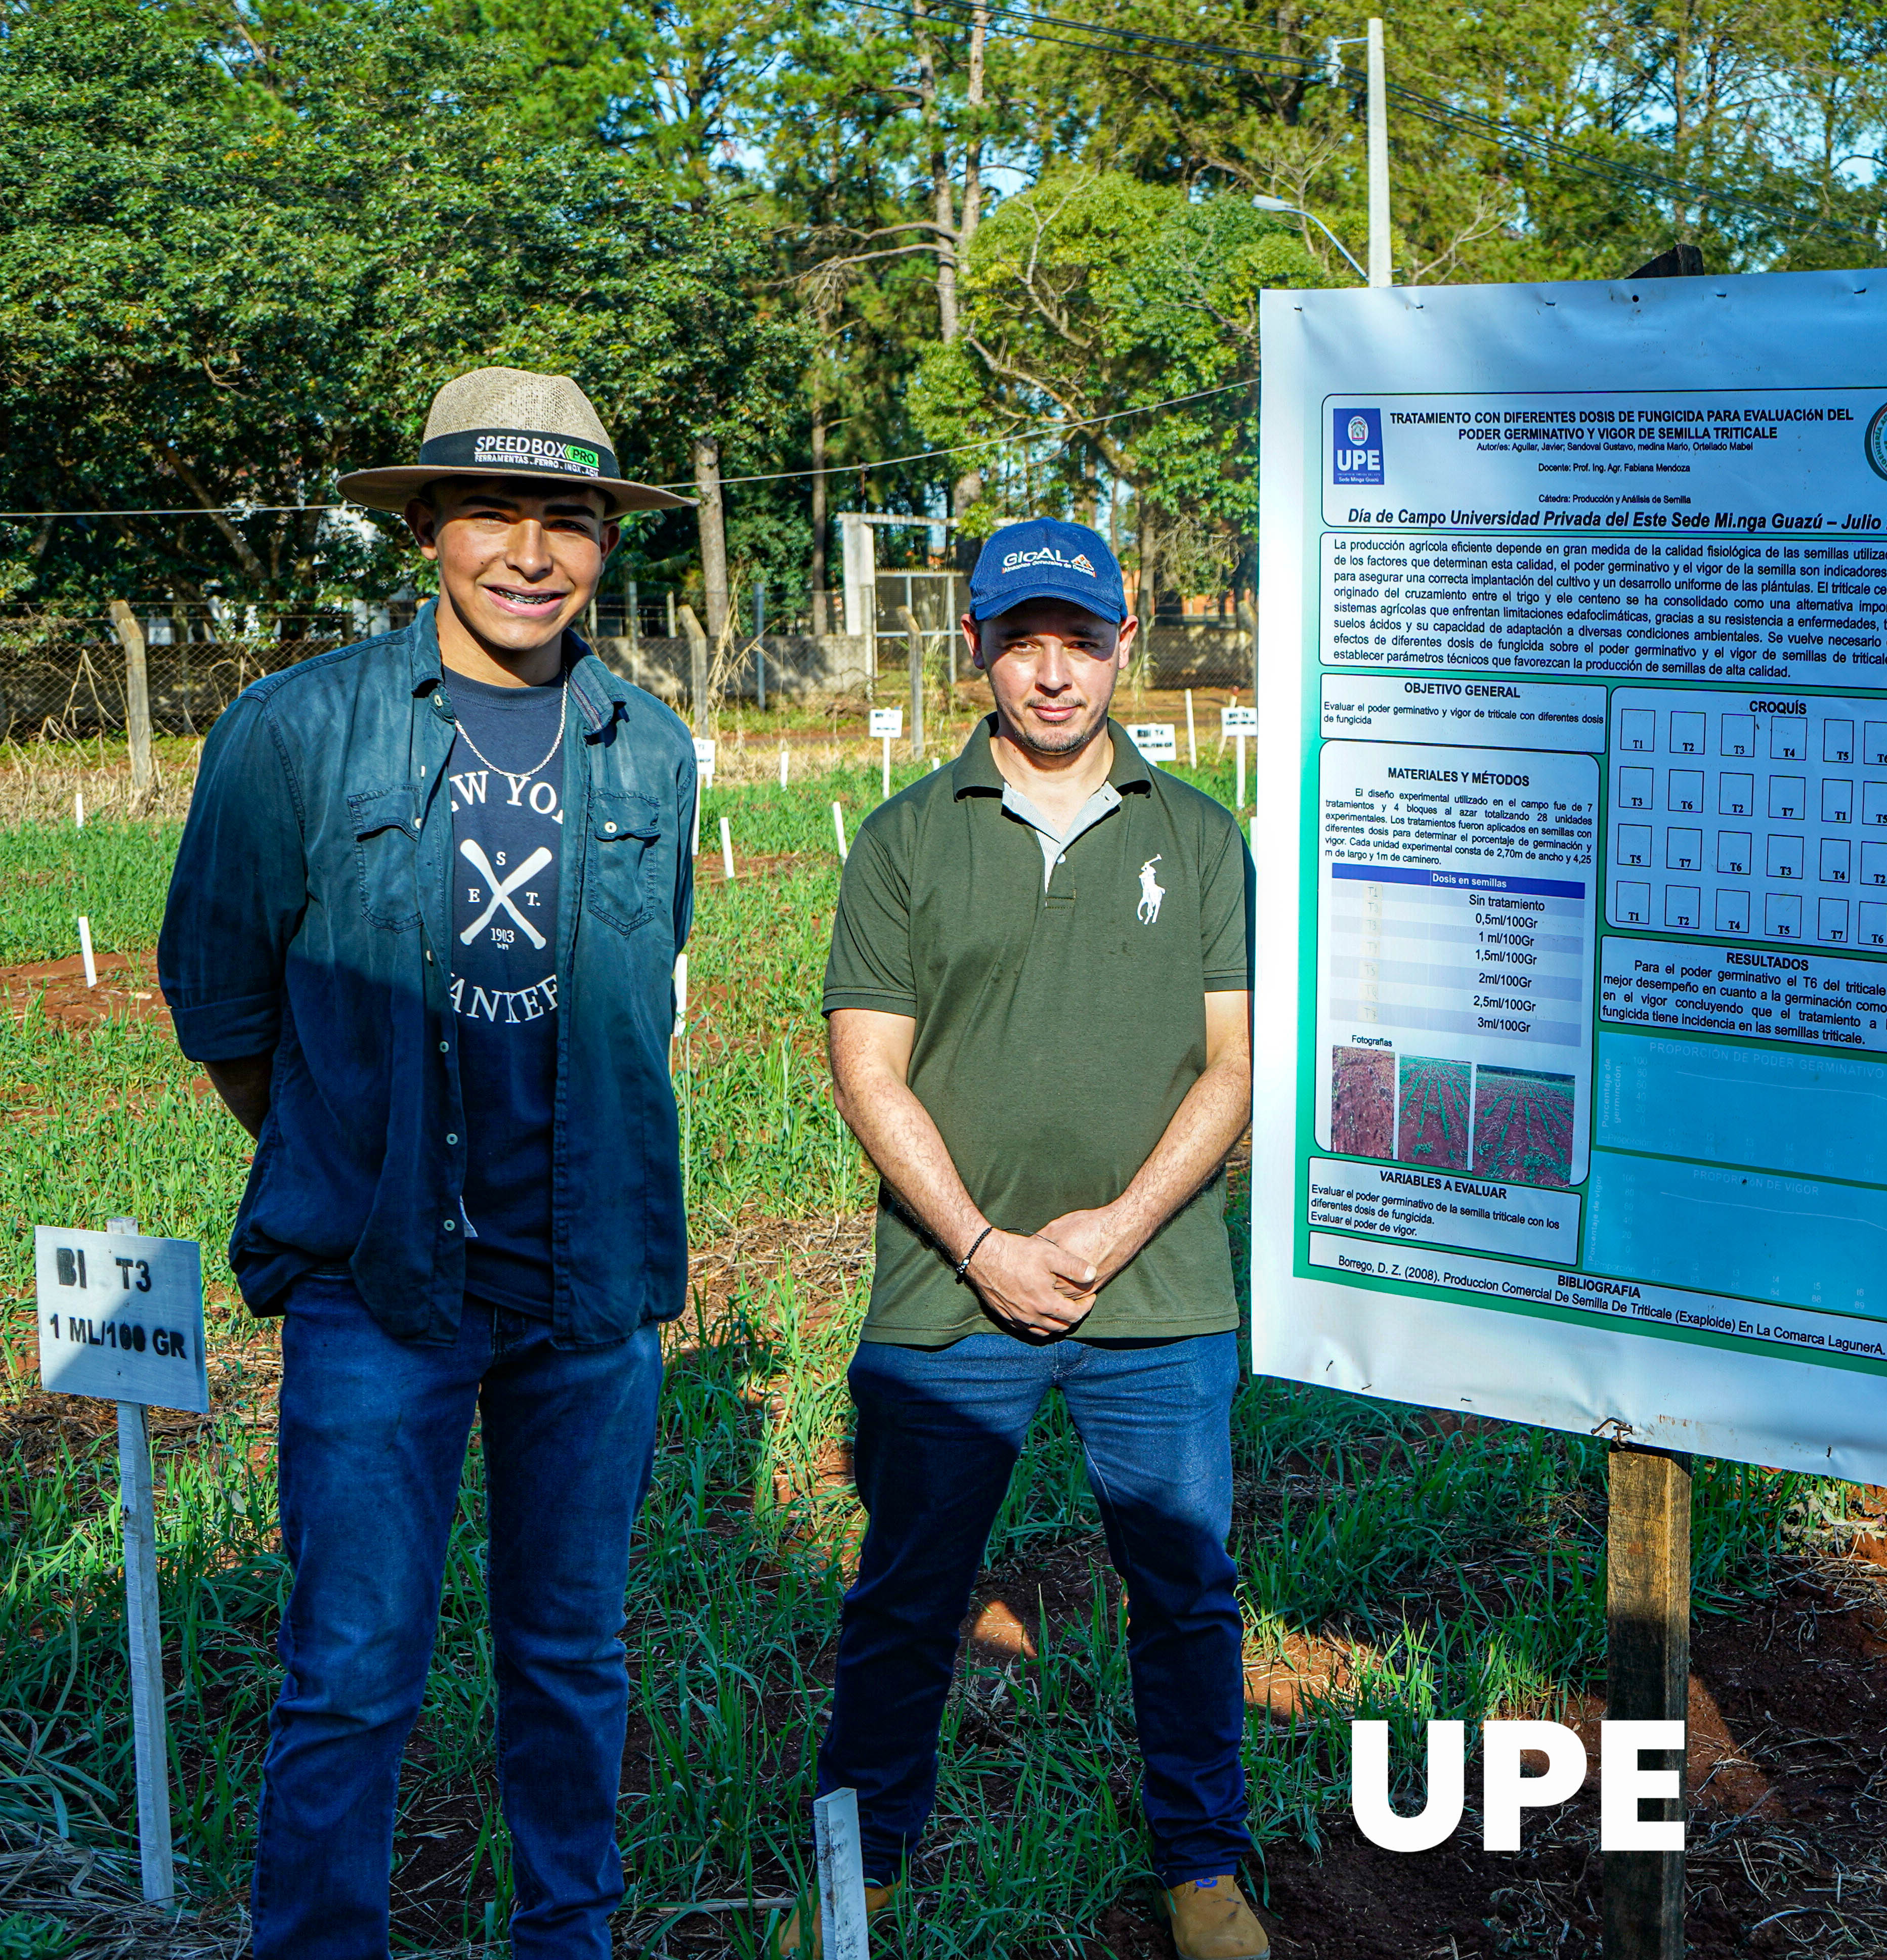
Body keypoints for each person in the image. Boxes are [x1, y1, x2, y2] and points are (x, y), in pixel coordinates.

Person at [159, 368, 700, 1958]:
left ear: (608, 542)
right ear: (426, 529)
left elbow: (637, 988)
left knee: (572, 1653)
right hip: (375, 1291)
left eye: (571, 518)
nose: (531, 552)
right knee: (351, 1665)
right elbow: (227, 1008)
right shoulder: (297, 732)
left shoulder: (649, 746)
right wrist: (362, 1158)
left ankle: (567, 1935)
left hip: (587, 1287)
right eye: (493, 511)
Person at [798, 518, 1262, 1959]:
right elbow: (867, 1066)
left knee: (1184, 1588)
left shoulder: (1197, 836)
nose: (1053, 673)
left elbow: (1233, 1069)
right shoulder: (906, 840)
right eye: (1022, 641)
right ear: (976, 651)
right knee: (908, 1586)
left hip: (1163, 1292)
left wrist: (1115, 1234)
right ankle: (864, 1855)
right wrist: (988, 1246)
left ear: (1127, 642)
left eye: (1081, 639)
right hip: (949, 1298)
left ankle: (1201, 1861)